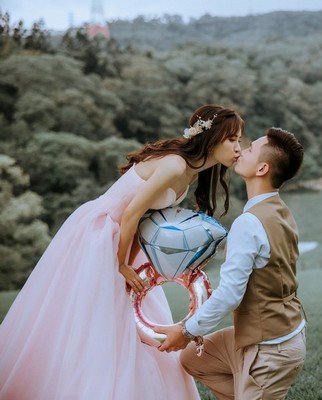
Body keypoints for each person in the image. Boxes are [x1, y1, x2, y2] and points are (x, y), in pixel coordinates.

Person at [0, 104, 244, 400]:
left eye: (239, 140)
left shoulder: (190, 172)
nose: (238, 148)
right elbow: (131, 212)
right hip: (103, 235)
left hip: (127, 241)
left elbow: (148, 220)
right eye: (233, 139)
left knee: (128, 321)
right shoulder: (175, 165)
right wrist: (121, 265)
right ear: (213, 138)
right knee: (96, 318)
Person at [156, 127, 306, 400]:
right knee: (194, 359)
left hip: (270, 349)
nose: (241, 150)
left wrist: (186, 331)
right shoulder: (280, 210)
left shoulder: (249, 223)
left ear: (262, 168)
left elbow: (230, 295)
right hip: (281, 335)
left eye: (249, 149)